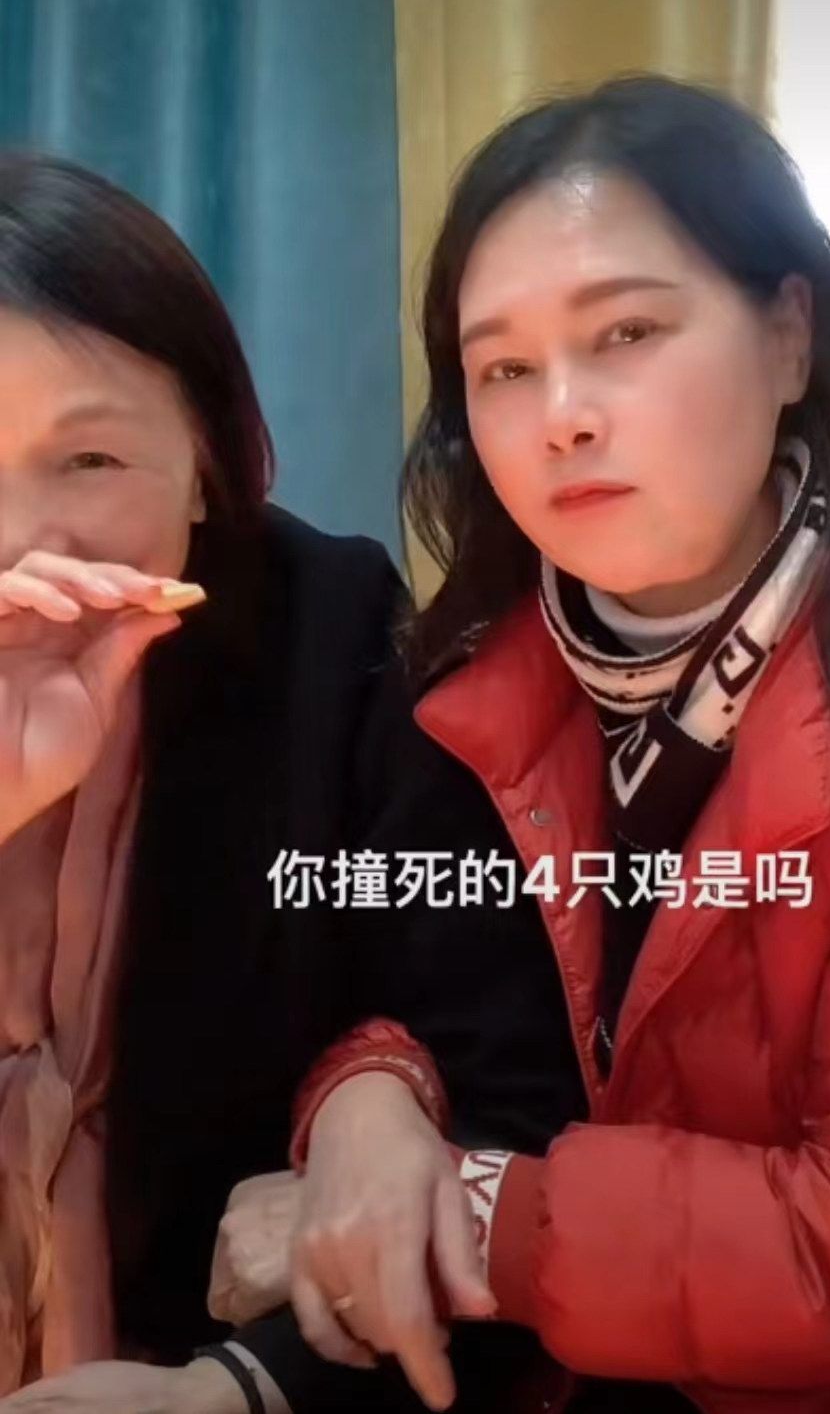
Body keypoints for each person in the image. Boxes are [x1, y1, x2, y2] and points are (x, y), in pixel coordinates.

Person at [279, 76, 830, 1413]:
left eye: (627, 331)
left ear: (787, 337)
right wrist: (369, 1088)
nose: (562, 414)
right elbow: (416, 996)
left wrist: (460, 1209)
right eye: (502, 368)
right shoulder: (473, 681)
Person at [0, 153, 586, 1413]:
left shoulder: (332, 638)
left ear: (209, 466)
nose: (19, 539)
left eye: (89, 458)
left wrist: (243, 1385)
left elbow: (502, 1085)